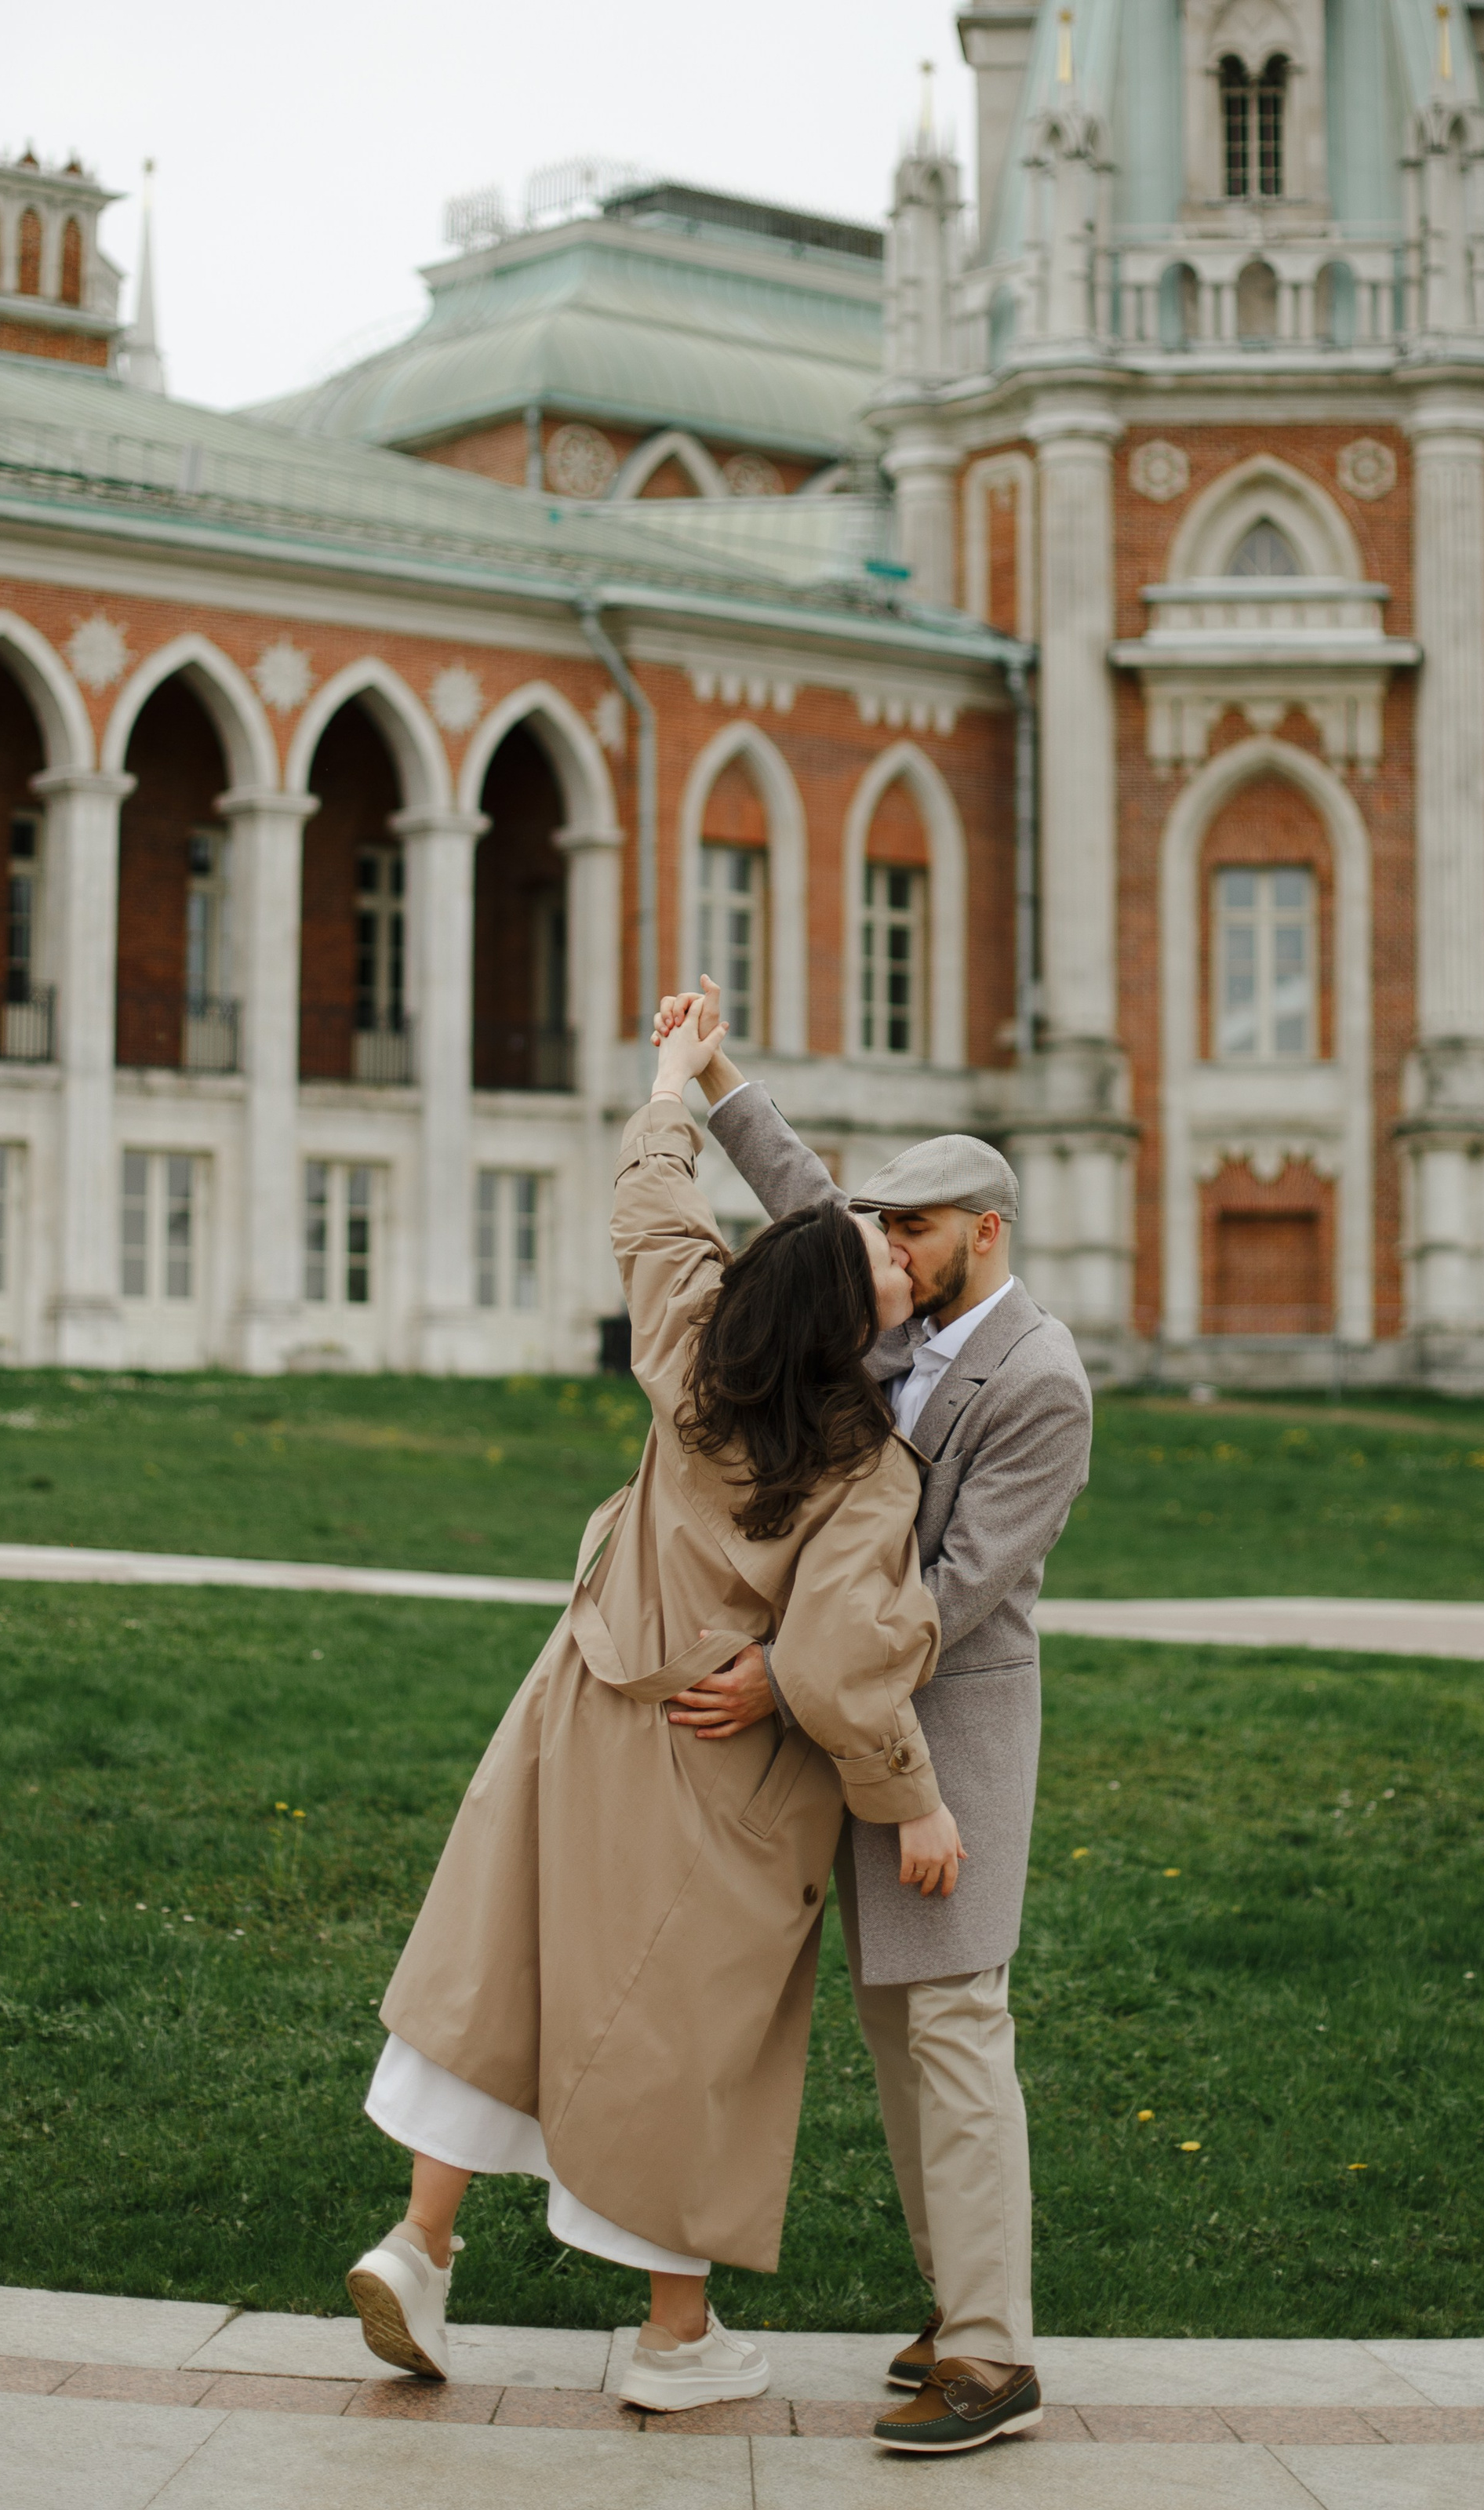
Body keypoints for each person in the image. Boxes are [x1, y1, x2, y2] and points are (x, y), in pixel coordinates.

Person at [345, 999, 971, 2419]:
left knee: (504, 1966)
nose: (893, 1250)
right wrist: (915, 1803)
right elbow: (842, 1666)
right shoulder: (866, 1468)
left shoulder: (693, 1349)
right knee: (691, 2032)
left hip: (580, 1710)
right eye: (884, 1253)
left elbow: (652, 1201)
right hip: (720, 1762)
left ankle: (419, 2245)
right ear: (851, 1314)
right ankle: (673, 2341)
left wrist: (672, 1080)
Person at [653, 977, 1093, 2455]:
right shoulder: (905, 1326)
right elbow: (805, 1205)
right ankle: (954, 2306)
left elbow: (960, 1591)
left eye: (913, 1232)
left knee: (959, 2030)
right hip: (857, 1730)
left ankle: (993, 2353)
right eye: (885, 1233)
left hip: (949, 1738)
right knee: (901, 2038)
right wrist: (714, 1084)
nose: (885, 1253)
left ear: (988, 1231)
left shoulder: (1041, 1384)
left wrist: (791, 1675)